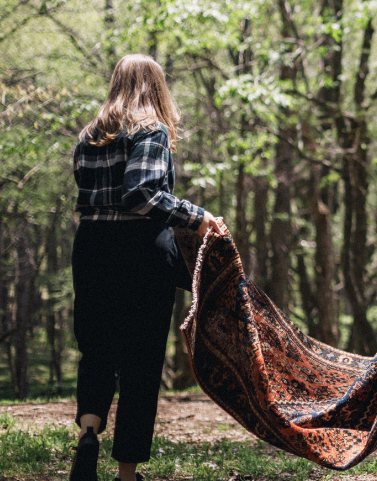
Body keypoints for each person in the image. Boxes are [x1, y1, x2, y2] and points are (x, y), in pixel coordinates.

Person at [68, 54, 221, 481]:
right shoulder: (150, 129)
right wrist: (197, 216)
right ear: (156, 86)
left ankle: (89, 432)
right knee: (140, 362)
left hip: (92, 246)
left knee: (96, 349)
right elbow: (142, 194)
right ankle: (127, 473)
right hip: (138, 253)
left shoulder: (89, 135)